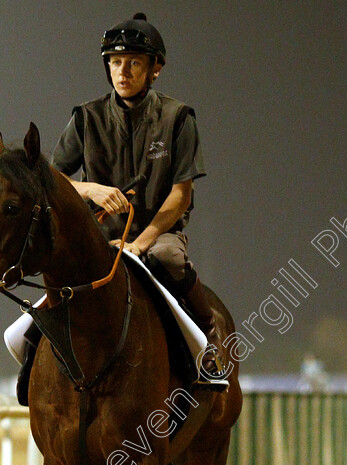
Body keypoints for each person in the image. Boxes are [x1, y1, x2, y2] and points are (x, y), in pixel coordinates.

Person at [48, 13, 227, 390]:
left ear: (155, 68)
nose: (123, 71)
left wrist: (139, 243)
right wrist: (91, 189)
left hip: (156, 236)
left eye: (133, 62)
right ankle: (33, 354)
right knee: (52, 270)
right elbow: (54, 178)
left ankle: (208, 334)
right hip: (97, 235)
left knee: (169, 259)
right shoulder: (85, 116)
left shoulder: (178, 118)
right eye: (115, 62)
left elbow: (181, 196)